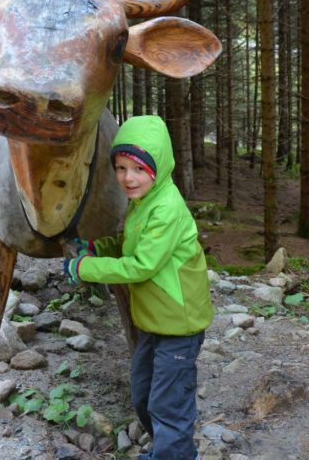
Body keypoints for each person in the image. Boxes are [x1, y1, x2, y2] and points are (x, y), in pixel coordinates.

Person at [62, 115, 213, 460]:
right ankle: (172, 449)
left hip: (178, 325)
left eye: (138, 169)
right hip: (153, 321)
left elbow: (141, 266)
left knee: (168, 403)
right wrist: (99, 249)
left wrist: (85, 267)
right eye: (121, 167)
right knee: (143, 393)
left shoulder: (166, 209)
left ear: (158, 168)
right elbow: (132, 245)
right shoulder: (143, 202)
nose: (128, 178)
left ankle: (173, 453)